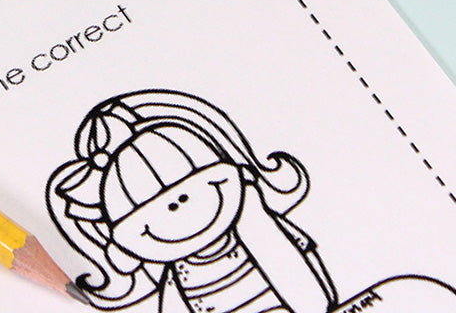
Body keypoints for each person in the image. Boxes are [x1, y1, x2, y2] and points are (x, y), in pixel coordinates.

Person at [46, 90, 338, 312]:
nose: (175, 206)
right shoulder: (179, 275)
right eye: (144, 207)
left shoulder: (259, 229)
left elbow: (298, 278)